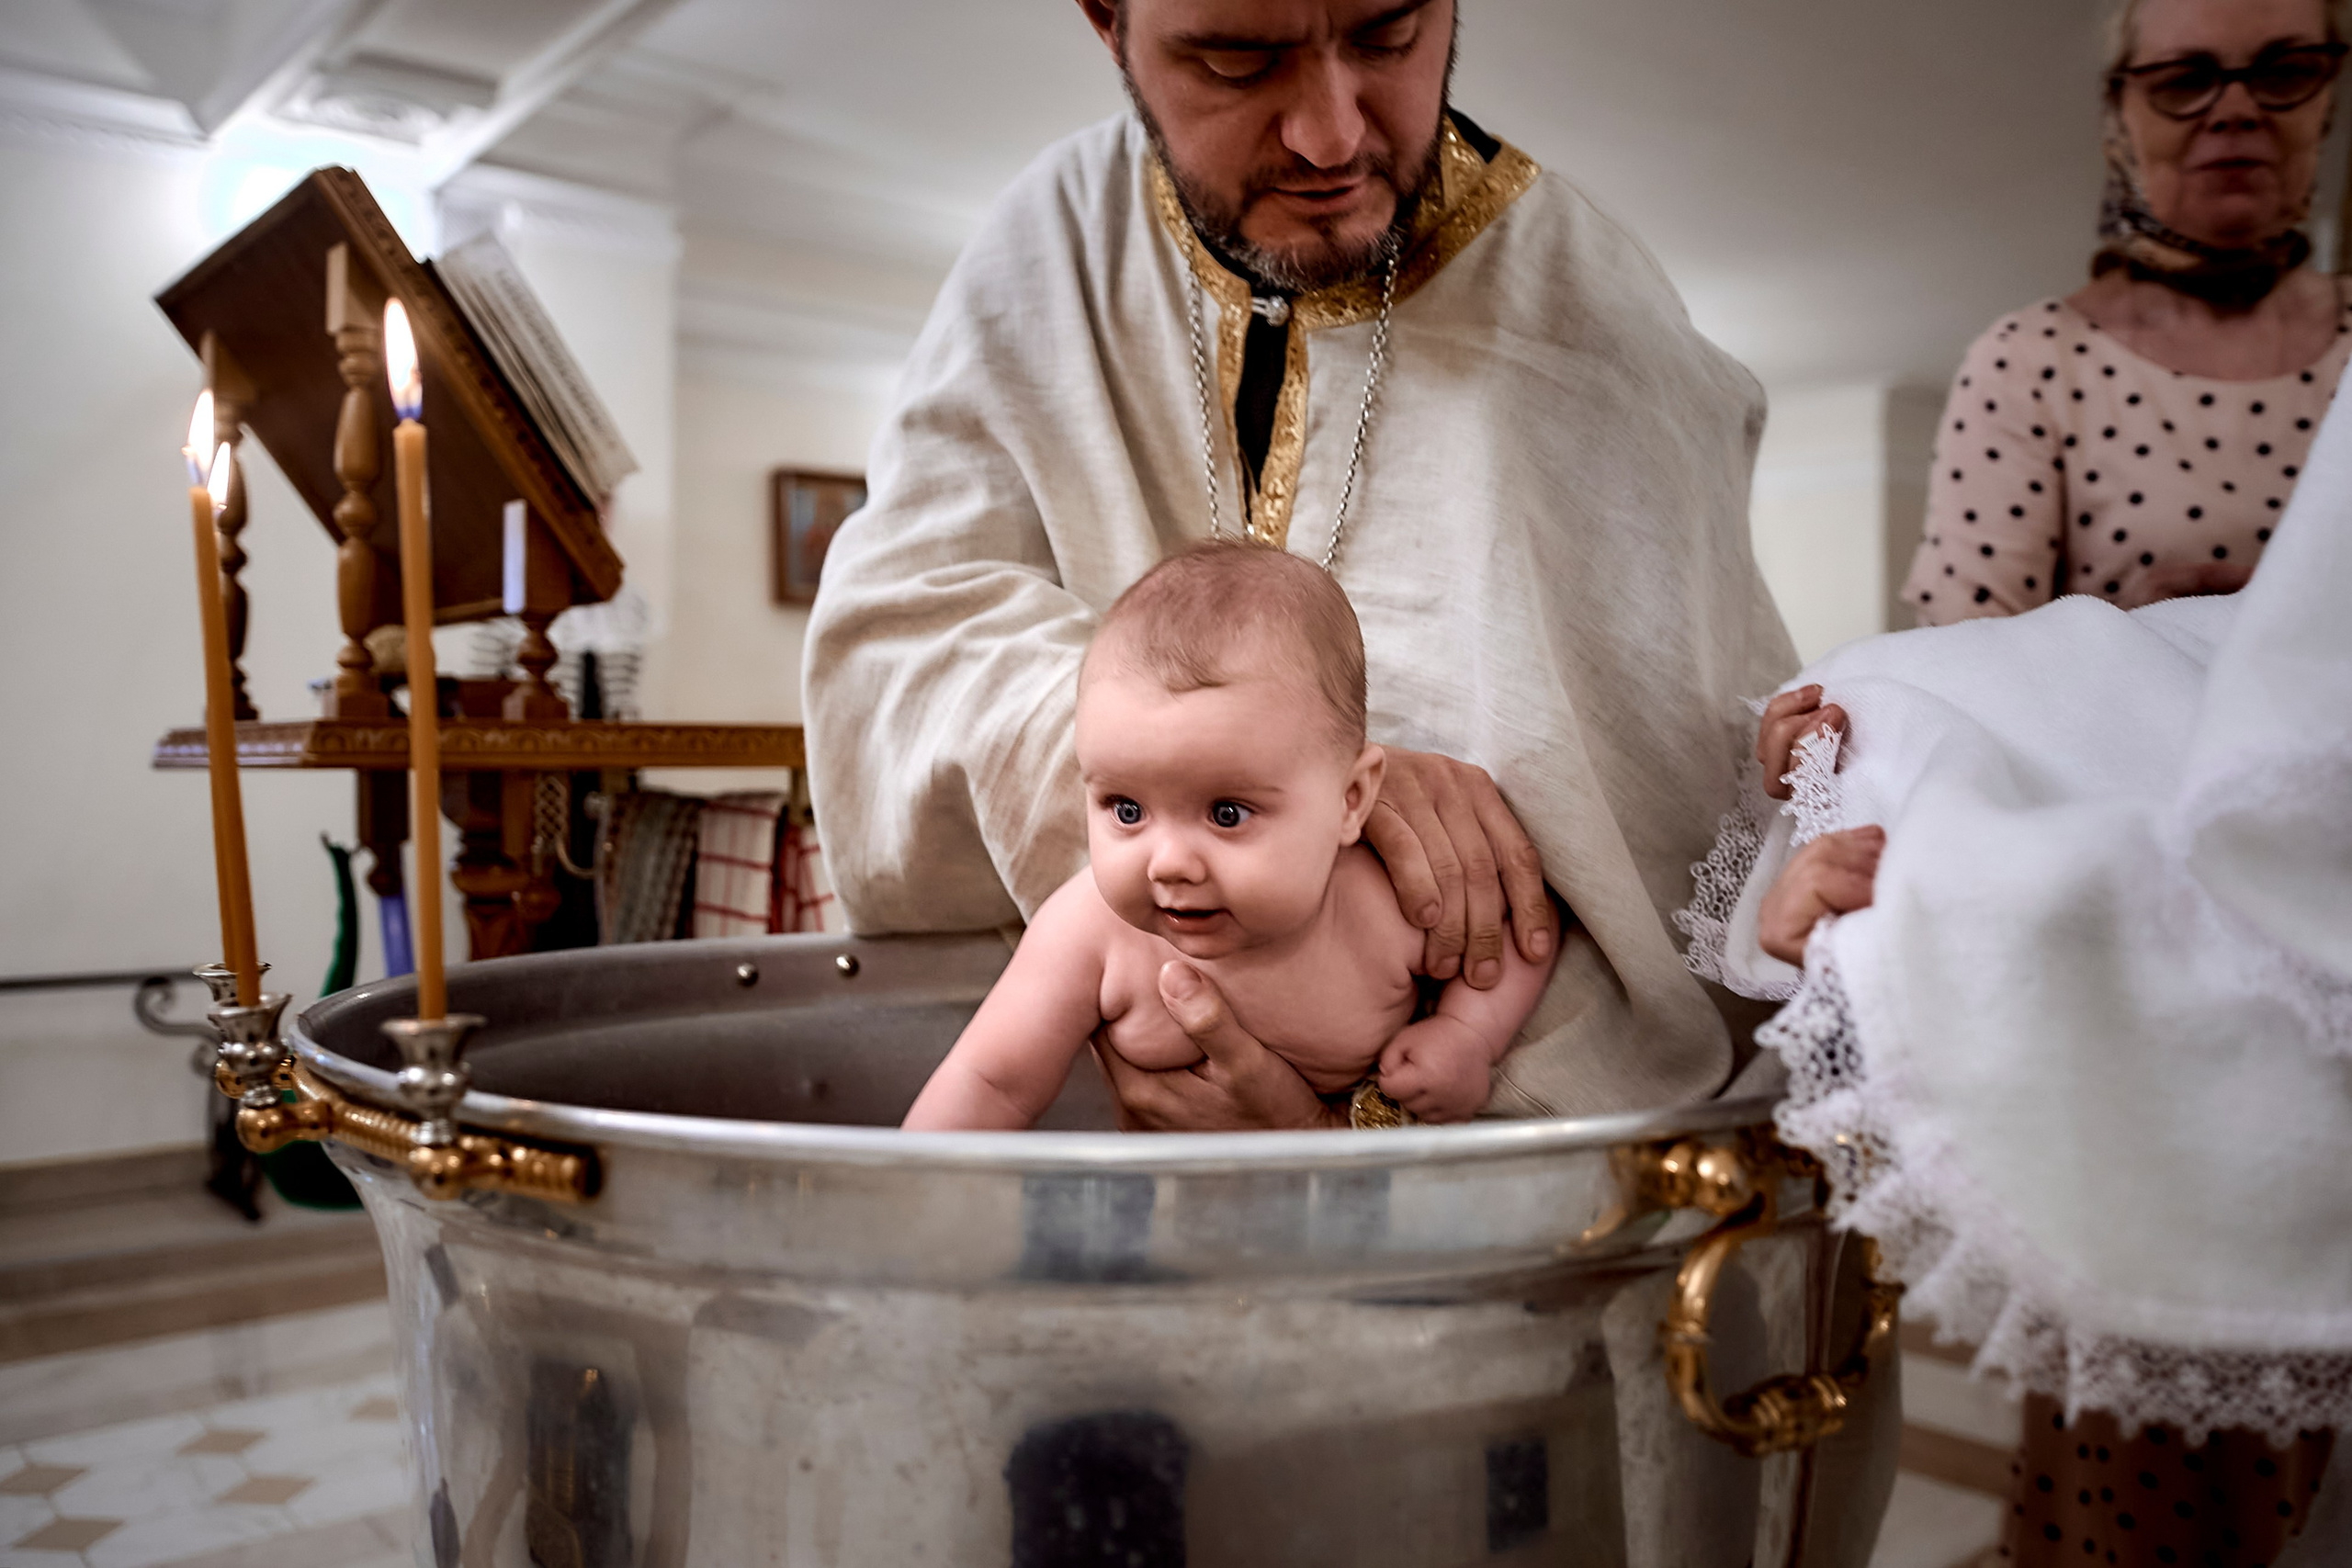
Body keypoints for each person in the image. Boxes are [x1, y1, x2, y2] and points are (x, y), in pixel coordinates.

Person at [804, 0, 1797, 1133]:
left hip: (1495, 1195)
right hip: (1092, 1122)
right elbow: (901, 644)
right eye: (1239, 57)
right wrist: (1245, 777)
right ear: (1108, 20)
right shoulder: (1054, 248)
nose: (1331, 138)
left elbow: (1678, 827)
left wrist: (1395, 1100)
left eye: (1386, 35)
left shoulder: (1593, 321)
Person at [1692, 386, 2352, 1568]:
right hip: (2104, 926)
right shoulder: (2038, 365)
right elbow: (2002, 651)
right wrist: (1870, 753)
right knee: (2141, 1474)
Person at [903, 544, 1554, 1131]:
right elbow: (991, 1082)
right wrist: (895, 1215)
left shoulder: (1378, 904)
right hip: (1163, 1228)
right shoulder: (1088, 934)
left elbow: (1518, 930)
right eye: (1126, 808)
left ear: (1350, 801)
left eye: (1227, 814)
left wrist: (1468, 1034)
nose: (1170, 863)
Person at [1902, 0, 2352, 623]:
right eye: (2185, 80)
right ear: (2119, 112)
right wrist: (2129, 642)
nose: (2238, 110)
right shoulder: (2028, 362)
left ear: (2327, 96)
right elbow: (1958, 665)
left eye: (2285, 72)